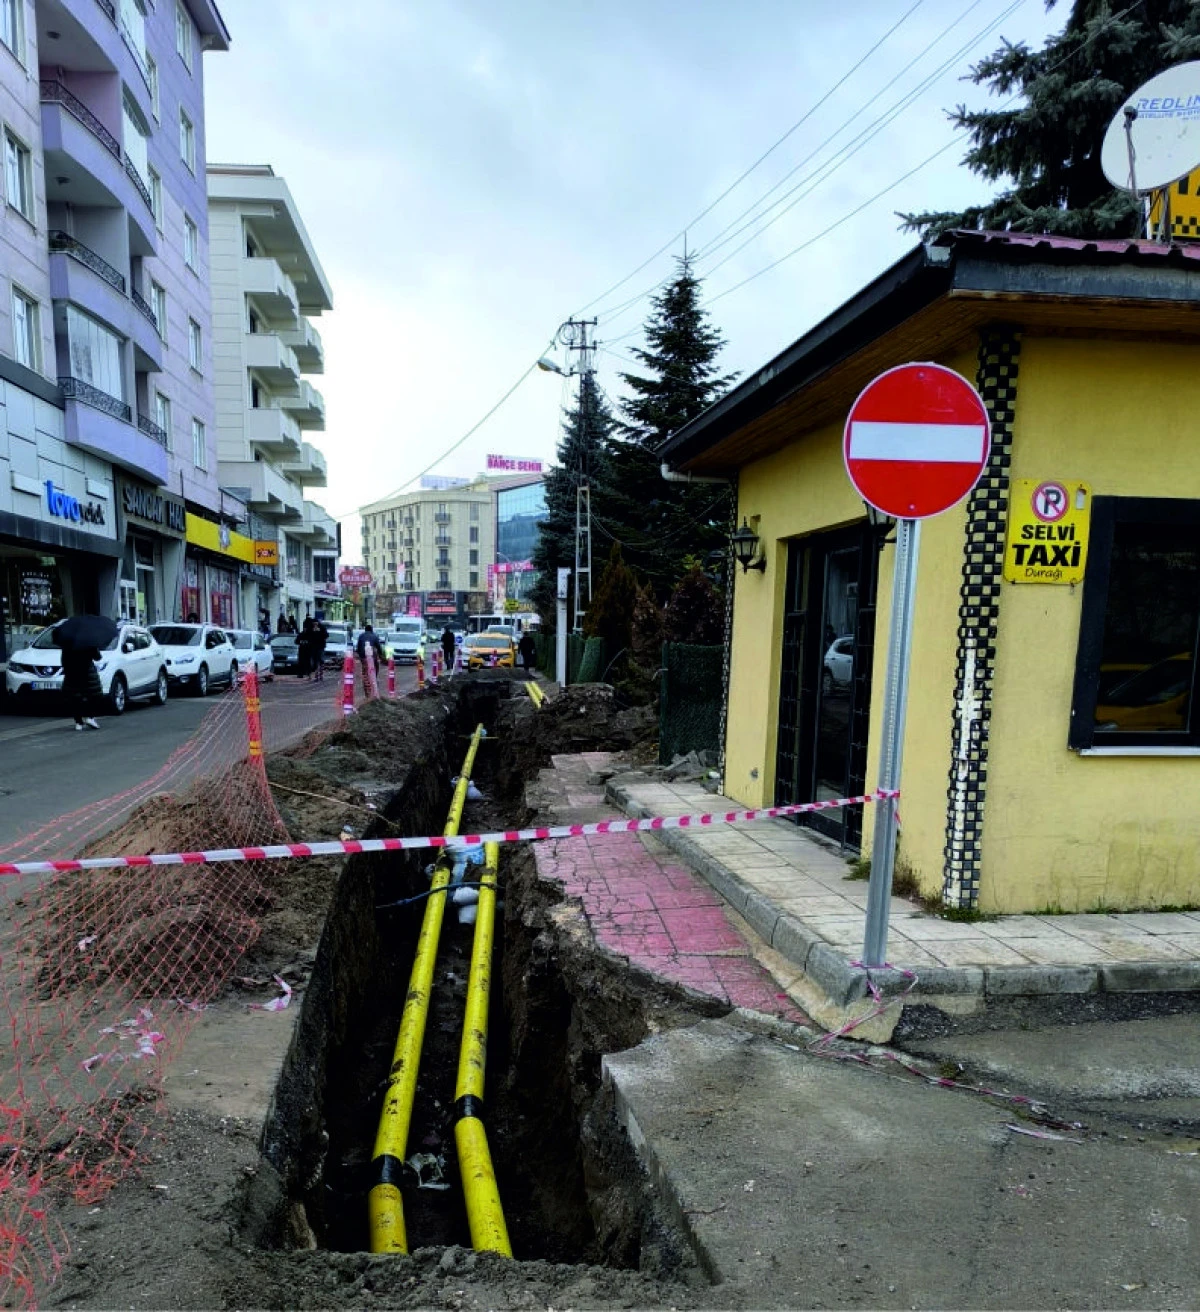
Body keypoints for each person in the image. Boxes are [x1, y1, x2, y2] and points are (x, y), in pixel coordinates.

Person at [61, 636, 101, 731]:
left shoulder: (67, 644)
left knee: (74, 697)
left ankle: (78, 722)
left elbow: (64, 661)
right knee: (93, 695)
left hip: (72, 673)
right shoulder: (88, 641)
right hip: (87, 672)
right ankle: (90, 717)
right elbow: (97, 657)